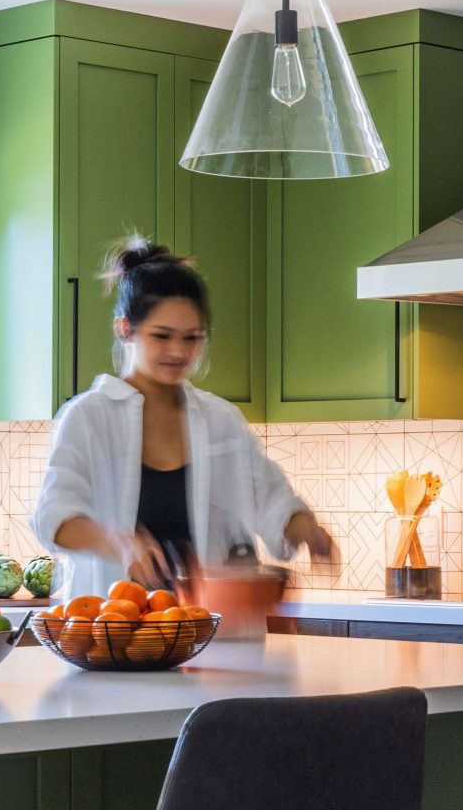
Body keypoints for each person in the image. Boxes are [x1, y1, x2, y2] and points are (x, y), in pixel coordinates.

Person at [32, 241, 338, 601]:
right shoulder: (88, 418)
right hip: (114, 634)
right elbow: (53, 516)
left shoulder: (221, 420)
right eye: (162, 336)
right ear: (125, 329)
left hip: (212, 630)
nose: (178, 352)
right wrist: (120, 543)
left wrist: (306, 530)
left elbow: (271, 499)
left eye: (192, 338)